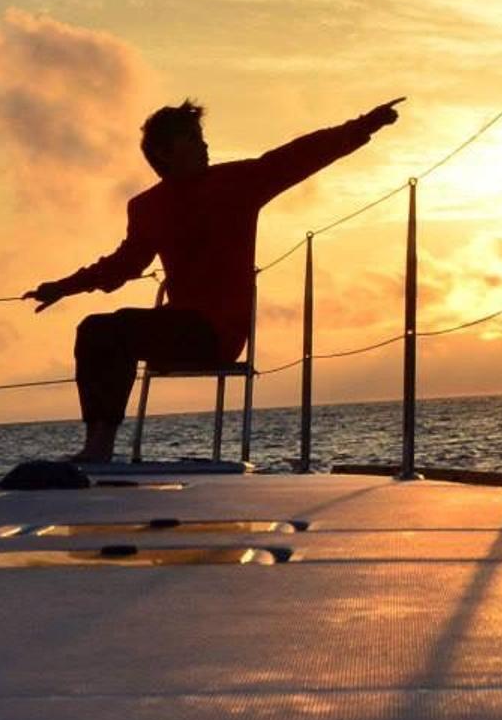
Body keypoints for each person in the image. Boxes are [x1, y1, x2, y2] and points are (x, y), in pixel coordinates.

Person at [25, 94, 402, 462]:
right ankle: (98, 445)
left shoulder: (238, 183)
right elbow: (123, 265)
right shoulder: (146, 206)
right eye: (193, 139)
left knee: (116, 328)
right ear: (165, 153)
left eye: (202, 138)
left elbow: (299, 156)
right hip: (176, 327)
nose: (205, 146)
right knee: (95, 330)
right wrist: (63, 286)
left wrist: (365, 124)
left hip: (217, 333)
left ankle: (99, 450)